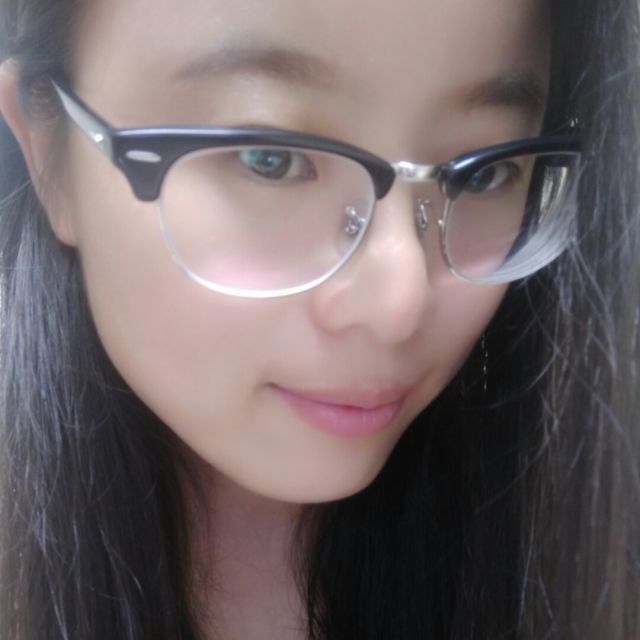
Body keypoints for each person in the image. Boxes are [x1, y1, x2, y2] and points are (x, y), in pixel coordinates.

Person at [0, 0, 638, 638]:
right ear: (48, 149)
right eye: (269, 158)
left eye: (486, 172)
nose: (399, 306)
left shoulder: (587, 554)